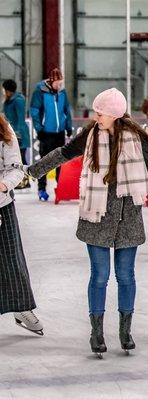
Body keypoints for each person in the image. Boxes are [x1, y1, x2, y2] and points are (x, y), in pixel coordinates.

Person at [24, 88, 148, 358]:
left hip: (128, 217)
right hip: (96, 216)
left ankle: (125, 330)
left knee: (125, 276)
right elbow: (63, 154)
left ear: (114, 114)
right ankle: (96, 332)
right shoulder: (89, 135)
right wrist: (31, 171)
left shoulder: (137, 138)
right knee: (99, 276)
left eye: (100, 113)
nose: (96, 117)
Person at [0, 114, 43, 335]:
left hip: (2, 205)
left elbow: (16, 167)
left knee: (12, 259)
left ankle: (22, 307)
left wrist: (4, 185)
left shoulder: (3, 129)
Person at [29, 68, 73, 201]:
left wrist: (68, 127)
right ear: (51, 81)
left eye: (61, 83)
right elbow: (34, 110)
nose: (59, 86)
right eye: (57, 83)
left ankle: (60, 188)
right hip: (46, 133)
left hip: (59, 133)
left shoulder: (62, 92)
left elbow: (67, 110)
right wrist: (39, 129)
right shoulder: (40, 91)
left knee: (60, 161)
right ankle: (41, 189)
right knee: (45, 162)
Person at [2, 79, 30, 189]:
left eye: (4, 89)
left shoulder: (18, 101)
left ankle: (25, 181)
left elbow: (20, 120)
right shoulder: (8, 101)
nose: (3, 92)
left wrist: (18, 135)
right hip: (11, 133)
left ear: (8, 90)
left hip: (19, 134)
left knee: (21, 158)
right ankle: (20, 181)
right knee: (14, 159)